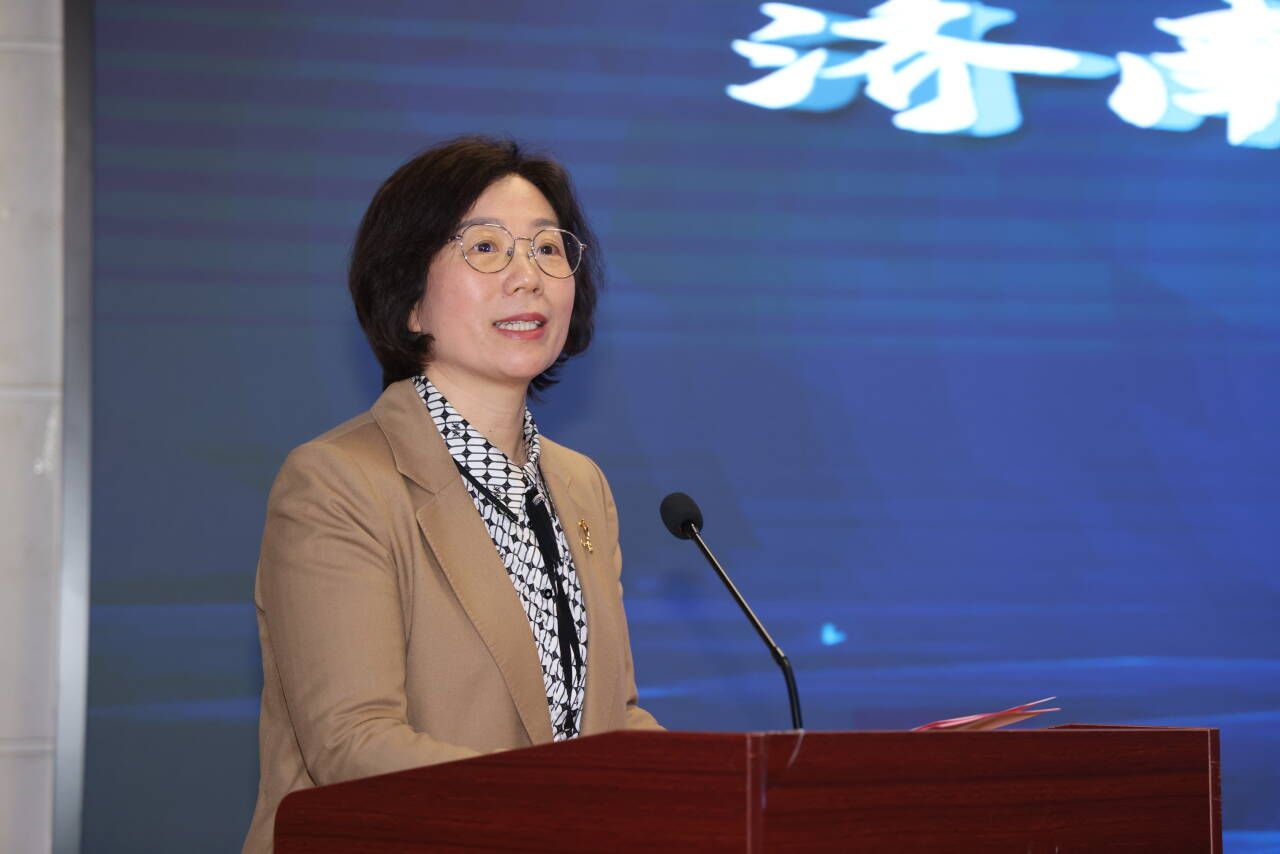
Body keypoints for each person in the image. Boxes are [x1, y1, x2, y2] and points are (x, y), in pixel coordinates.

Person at [242, 136, 661, 853]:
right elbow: (353, 744)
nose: (527, 277)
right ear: (410, 299)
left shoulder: (579, 485)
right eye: (486, 248)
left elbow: (608, 721)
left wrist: (714, 789)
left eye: (548, 249)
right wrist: (568, 811)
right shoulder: (338, 482)